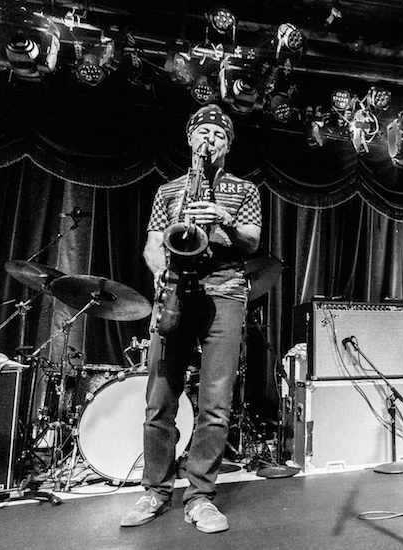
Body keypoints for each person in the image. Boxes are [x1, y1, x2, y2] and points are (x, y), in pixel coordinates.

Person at [120, 104, 262, 533]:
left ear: (228, 145)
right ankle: (155, 491)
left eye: (219, 136)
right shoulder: (169, 191)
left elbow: (252, 242)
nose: (210, 141)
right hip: (176, 292)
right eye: (202, 133)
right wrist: (160, 270)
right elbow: (152, 244)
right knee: (159, 400)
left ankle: (200, 496)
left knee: (215, 404)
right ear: (190, 140)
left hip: (225, 292)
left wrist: (226, 222)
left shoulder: (244, 190)